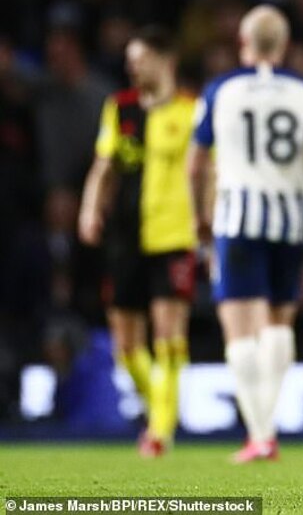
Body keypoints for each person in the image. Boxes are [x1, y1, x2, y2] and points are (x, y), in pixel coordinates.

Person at [188, 4, 303, 463]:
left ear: (243, 43)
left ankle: (260, 433)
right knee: (279, 325)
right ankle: (265, 432)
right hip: (290, 222)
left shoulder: (221, 89)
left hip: (236, 219)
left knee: (240, 328)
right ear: (283, 46)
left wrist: (198, 217)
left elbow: (195, 164)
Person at [78, 26, 197, 457]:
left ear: (166, 61)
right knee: (126, 348)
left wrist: (208, 221)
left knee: (168, 335)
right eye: (130, 60)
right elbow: (104, 165)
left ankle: (159, 431)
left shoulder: (191, 111)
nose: (132, 67)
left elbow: (207, 172)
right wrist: (90, 209)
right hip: (124, 238)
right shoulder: (120, 108)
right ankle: (160, 408)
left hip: (174, 234)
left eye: (140, 59)